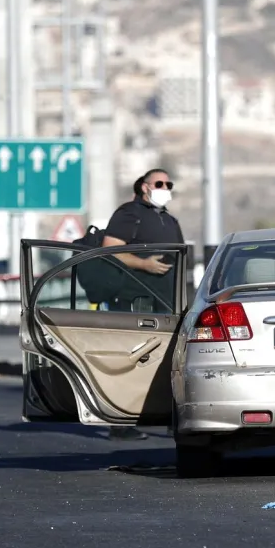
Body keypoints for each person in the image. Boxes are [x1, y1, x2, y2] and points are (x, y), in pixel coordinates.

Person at [101, 168, 186, 440]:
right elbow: (109, 250)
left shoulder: (169, 220)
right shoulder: (129, 214)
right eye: (159, 183)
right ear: (145, 187)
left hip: (167, 302)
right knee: (132, 359)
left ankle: (168, 417)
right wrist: (144, 264)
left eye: (168, 184)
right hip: (134, 301)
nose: (165, 188)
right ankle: (121, 423)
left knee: (168, 360)